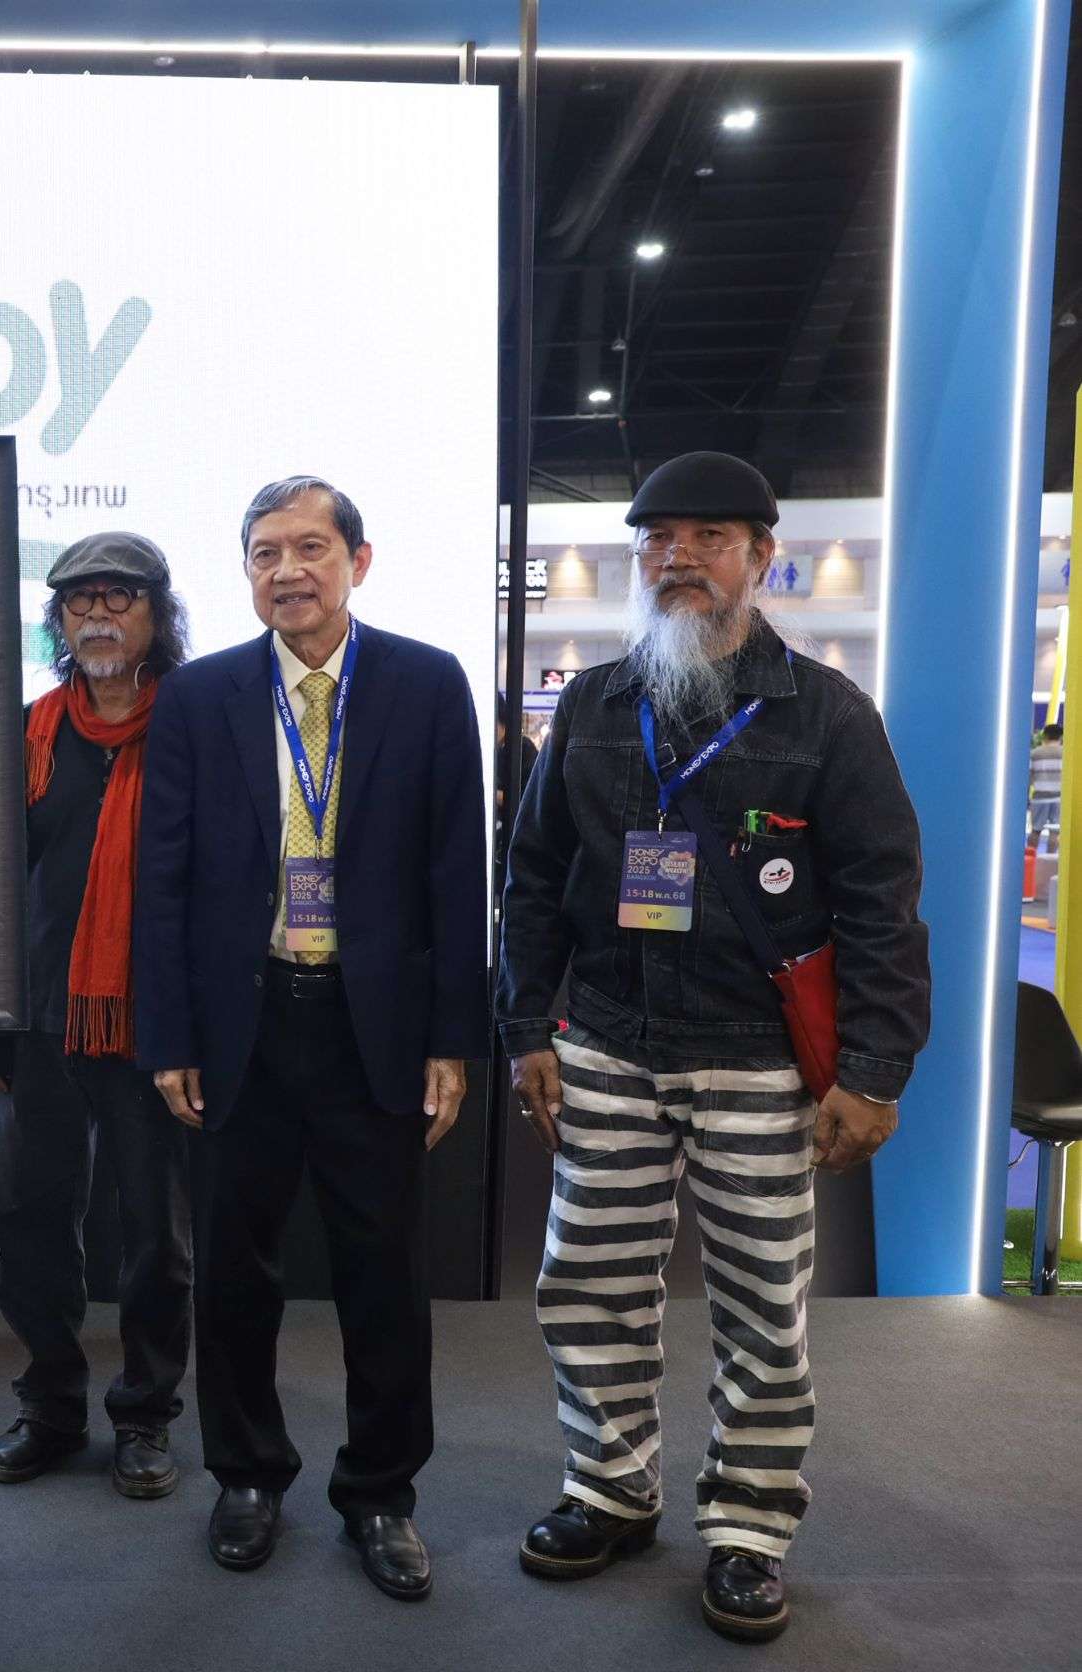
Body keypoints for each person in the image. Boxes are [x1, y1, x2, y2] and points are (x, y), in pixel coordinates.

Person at [498, 450, 929, 1645]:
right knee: (589, 1284)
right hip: (609, 1045)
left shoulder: (828, 715)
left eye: (709, 538)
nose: (678, 556)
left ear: (761, 557)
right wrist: (526, 1027)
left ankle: (748, 1524)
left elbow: (883, 903)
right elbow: (532, 881)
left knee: (762, 1305)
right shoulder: (591, 707)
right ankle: (610, 1487)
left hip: (757, 1059)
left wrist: (874, 1070)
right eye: (658, 539)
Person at [134, 475, 486, 1599]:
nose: (286, 571)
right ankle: (246, 1476)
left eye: (310, 548)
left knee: (384, 1273)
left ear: (357, 562)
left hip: (371, 1028)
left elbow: (455, 871)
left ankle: (381, 1493)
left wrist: (453, 1037)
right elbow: (163, 878)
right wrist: (168, 1034)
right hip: (242, 1023)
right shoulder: (200, 697)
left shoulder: (428, 684)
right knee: (234, 1269)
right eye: (264, 553)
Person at [0, 532, 196, 1499]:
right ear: (57, 621)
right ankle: (51, 1405)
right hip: (38, 1024)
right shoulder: (26, 733)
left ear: (157, 614)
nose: (97, 615)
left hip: (157, 1028)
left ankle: (145, 1416)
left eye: (118, 597)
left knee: (156, 1238)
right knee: (27, 1221)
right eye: (78, 601)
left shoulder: (196, 727)